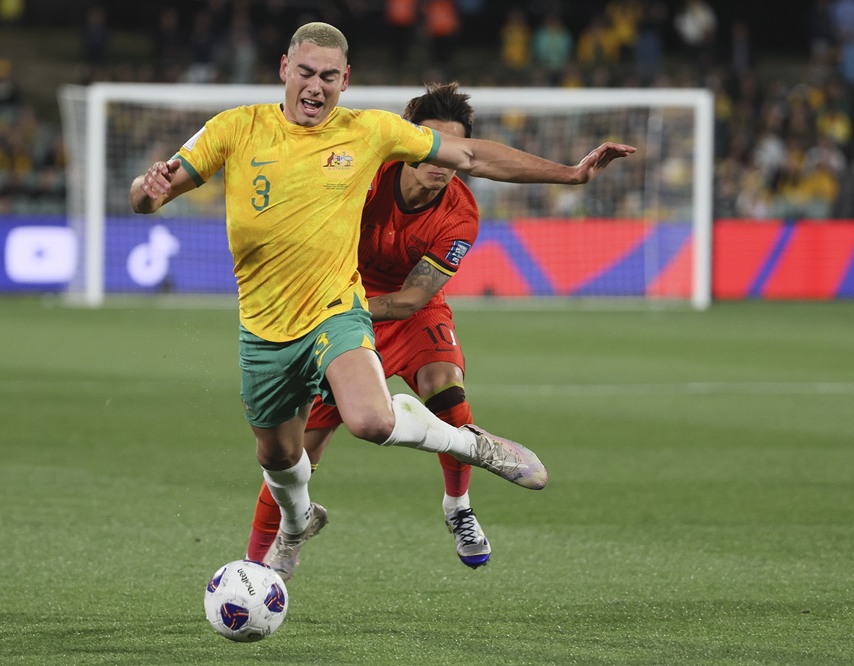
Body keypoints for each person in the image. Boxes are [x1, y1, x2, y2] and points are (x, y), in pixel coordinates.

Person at [129, 22, 635, 582]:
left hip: (344, 310)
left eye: (328, 76)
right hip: (266, 327)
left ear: (345, 80)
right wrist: (146, 193)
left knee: (373, 418)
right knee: (280, 458)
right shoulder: (236, 128)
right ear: (284, 69)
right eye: (305, 72)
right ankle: (297, 524)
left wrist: (570, 174)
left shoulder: (370, 134)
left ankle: (469, 451)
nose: (315, 86)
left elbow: (471, 155)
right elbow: (152, 191)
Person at [246, 82, 500, 572]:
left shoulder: (461, 214)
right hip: (336, 313)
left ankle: (458, 507)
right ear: (409, 142)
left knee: (446, 391)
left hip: (403, 312)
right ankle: (256, 563)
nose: (440, 162)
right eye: (432, 148)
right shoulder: (362, 174)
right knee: (293, 454)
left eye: (452, 152)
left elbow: (410, 301)